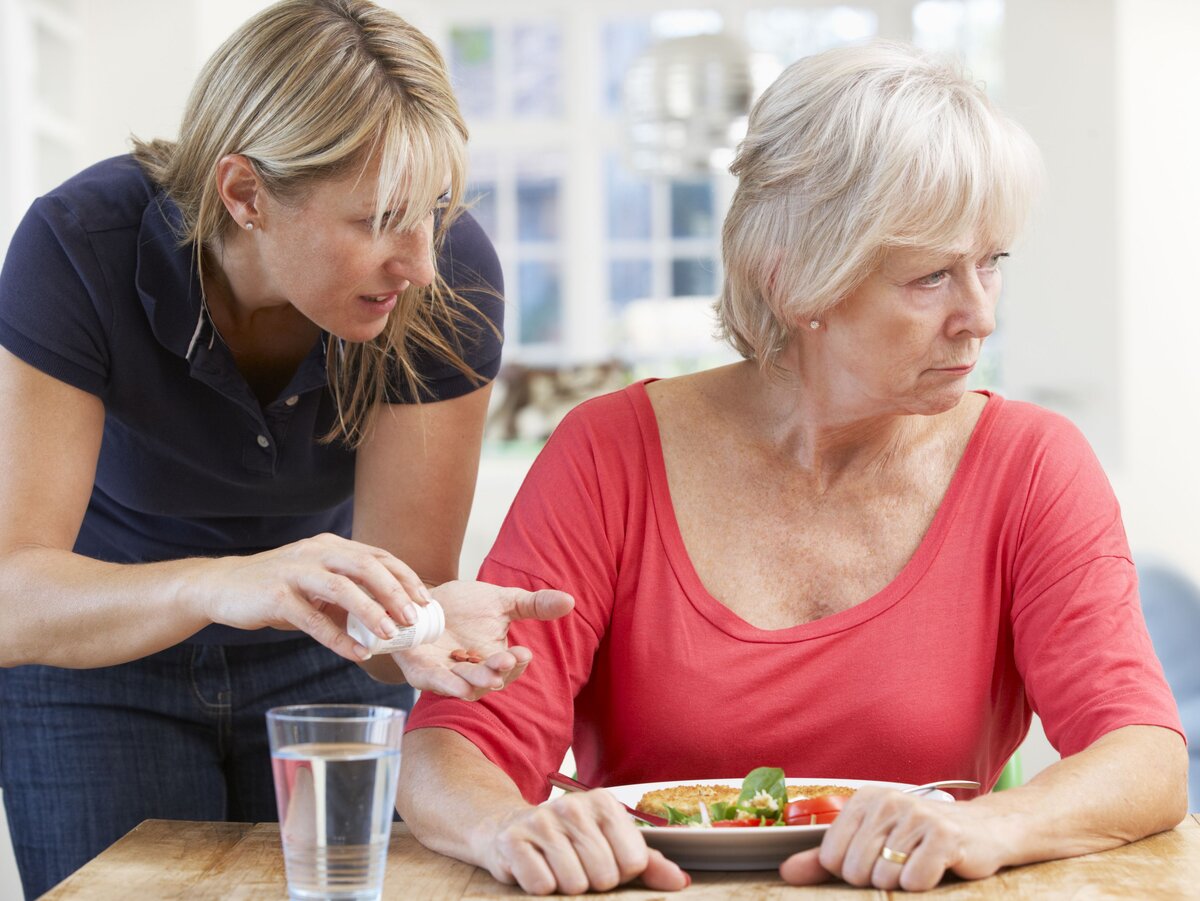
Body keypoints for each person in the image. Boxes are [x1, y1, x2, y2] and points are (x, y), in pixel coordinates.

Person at [397, 40, 1189, 895]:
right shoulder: (608, 454)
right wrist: (509, 828)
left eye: (991, 262)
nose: (979, 316)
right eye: (931, 276)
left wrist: (988, 822)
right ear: (796, 282)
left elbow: (1144, 756)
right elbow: (450, 749)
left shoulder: (1033, 465)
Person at [0, 1, 571, 897]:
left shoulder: (447, 276)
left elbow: (389, 638)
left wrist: (423, 627)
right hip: (98, 660)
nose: (420, 262)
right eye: (381, 217)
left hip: (325, 656)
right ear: (245, 194)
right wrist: (220, 583)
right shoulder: (79, 247)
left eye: (435, 211)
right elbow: (10, 595)